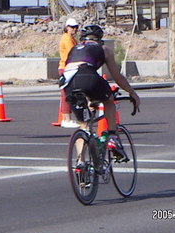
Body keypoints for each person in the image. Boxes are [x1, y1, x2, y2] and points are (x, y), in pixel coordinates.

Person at [60, 24, 140, 162]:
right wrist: (132, 92)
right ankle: (113, 137)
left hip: (67, 81)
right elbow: (117, 77)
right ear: (100, 39)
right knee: (109, 100)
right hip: (87, 75)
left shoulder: (74, 48)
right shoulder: (103, 48)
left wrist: (90, 99)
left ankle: (81, 163)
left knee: (83, 125)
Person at [58, 18, 80, 128]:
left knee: (70, 93)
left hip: (69, 67)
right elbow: (74, 52)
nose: (75, 29)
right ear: (67, 27)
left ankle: (68, 118)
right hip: (66, 68)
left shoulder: (71, 39)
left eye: (76, 27)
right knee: (66, 93)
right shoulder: (67, 39)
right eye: (72, 27)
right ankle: (66, 119)